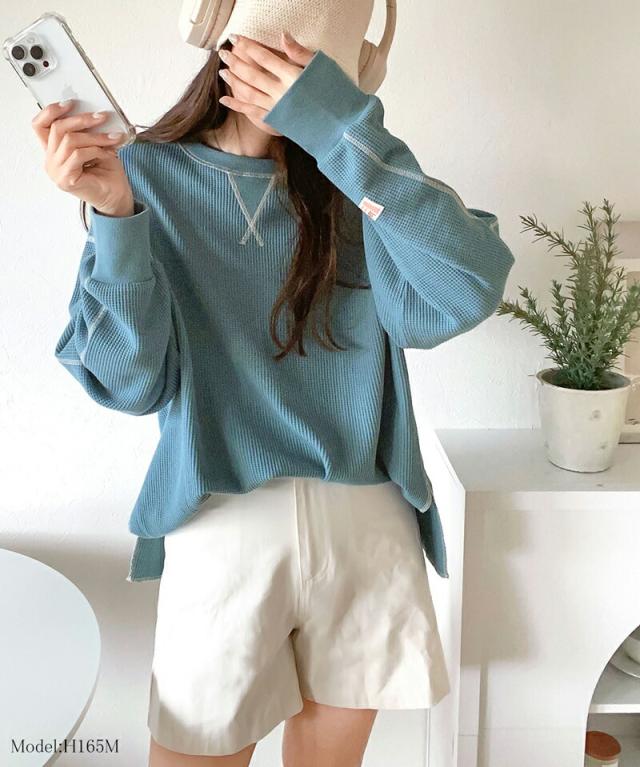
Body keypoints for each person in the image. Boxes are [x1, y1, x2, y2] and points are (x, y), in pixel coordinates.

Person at [34, 14, 515, 767]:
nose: (290, 70)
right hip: (223, 523)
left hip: (367, 523)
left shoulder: (361, 178)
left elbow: (467, 288)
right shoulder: (141, 174)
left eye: (317, 65)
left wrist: (345, 133)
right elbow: (128, 384)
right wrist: (115, 217)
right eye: (280, 43)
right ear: (232, 48)